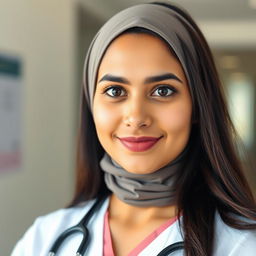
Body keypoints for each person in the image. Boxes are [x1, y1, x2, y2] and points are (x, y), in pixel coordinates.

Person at [11, 1, 256, 256]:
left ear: (197, 105)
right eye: (115, 91)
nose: (136, 117)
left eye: (163, 90)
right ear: (91, 105)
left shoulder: (243, 245)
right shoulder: (43, 238)